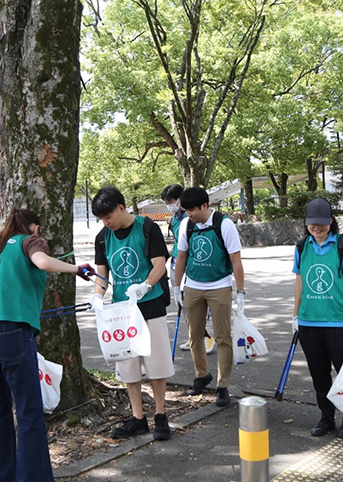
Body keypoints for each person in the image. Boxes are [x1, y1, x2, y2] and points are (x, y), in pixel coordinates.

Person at [0, 208, 92, 482]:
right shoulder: (29, 242)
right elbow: (41, 262)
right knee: (28, 409)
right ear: (34, 227)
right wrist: (76, 269)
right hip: (11, 330)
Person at [89, 187, 175, 440]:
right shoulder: (103, 237)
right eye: (101, 219)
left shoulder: (147, 228)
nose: (106, 222)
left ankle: (161, 415)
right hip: (121, 311)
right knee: (128, 367)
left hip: (151, 304)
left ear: (121, 207)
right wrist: (97, 295)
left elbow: (160, 262)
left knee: (156, 364)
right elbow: (102, 272)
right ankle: (138, 418)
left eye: (108, 216)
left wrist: (146, 285)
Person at [293, 198, 343, 438]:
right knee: (319, 374)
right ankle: (326, 417)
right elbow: (300, 281)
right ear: (306, 223)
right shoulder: (302, 247)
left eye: (322, 223)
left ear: (331, 222)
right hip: (309, 322)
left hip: (337, 321)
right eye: (312, 224)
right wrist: (295, 315)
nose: (317, 228)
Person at [172, 187, 245, 407]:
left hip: (220, 286)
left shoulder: (224, 224)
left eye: (192, 209)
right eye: (185, 210)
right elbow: (182, 256)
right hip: (193, 286)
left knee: (223, 337)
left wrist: (240, 292)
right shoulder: (187, 224)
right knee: (195, 336)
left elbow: (236, 260)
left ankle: (223, 386)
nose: (188, 214)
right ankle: (202, 375)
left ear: (205, 206)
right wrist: (177, 287)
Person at [162, 183, 214, 354]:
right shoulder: (175, 218)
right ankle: (195, 336)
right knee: (182, 302)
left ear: (179, 199)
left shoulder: (190, 216)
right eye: (166, 202)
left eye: (170, 200)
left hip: (189, 262)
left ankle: (204, 336)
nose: (168, 204)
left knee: (190, 302)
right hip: (176, 259)